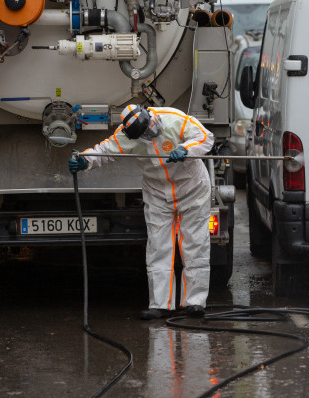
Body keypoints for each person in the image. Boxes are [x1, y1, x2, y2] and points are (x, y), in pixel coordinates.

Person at [68, 105, 214, 320]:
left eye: (150, 128)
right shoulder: (126, 137)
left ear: (150, 116)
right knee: (158, 246)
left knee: (195, 243)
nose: (150, 134)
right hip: (157, 192)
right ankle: (160, 304)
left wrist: (187, 148)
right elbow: (105, 150)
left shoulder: (173, 119)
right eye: (143, 134)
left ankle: (194, 302)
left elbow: (204, 137)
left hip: (192, 188)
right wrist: (85, 160)